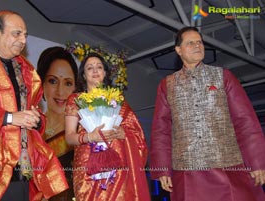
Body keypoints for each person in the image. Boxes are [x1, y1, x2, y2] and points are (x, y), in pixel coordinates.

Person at [149, 26, 265, 201]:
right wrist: (162, 169)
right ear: (178, 50)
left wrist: (257, 163)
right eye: (190, 43)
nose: (197, 46)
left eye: (200, 42)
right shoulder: (167, 85)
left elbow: (245, 120)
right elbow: (161, 130)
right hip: (187, 172)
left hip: (228, 168)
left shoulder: (223, 76)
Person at [0, 10, 68, 201]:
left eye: (25, 35)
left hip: (20, 171)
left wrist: (37, 121)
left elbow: (37, 113)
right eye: (17, 33)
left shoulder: (27, 71)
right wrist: (10, 117)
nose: (23, 40)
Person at [65, 52, 150, 200]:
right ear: (84, 75)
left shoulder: (118, 101)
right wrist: (90, 137)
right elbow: (69, 137)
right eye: (90, 68)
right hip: (87, 167)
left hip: (118, 166)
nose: (95, 70)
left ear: (105, 72)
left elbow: (137, 135)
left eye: (99, 67)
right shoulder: (76, 100)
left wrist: (124, 134)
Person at [37, 46, 78, 201]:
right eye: (53, 81)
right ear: (41, 85)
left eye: (67, 83)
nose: (60, 92)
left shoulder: (83, 130)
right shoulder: (31, 130)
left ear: (75, 87)